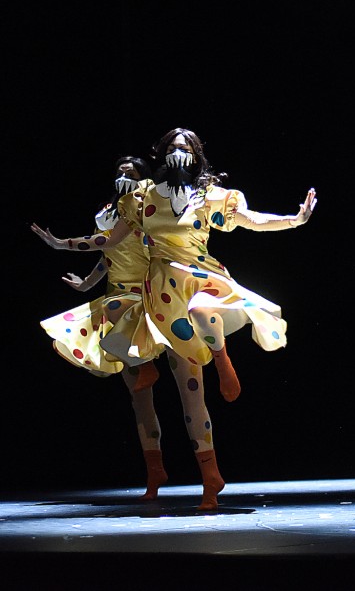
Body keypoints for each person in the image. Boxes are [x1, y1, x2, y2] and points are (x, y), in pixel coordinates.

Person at [33, 127, 318, 509]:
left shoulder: (210, 196)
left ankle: (221, 361)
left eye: (185, 147)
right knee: (179, 385)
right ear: (162, 153)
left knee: (200, 316)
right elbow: (109, 241)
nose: (178, 152)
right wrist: (63, 244)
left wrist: (294, 219)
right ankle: (207, 475)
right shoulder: (143, 198)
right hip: (161, 294)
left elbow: (250, 219)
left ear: (196, 155)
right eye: (172, 146)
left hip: (201, 278)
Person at [37, 156, 172, 499]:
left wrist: (62, 244)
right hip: (117, 293)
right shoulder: (109, 211)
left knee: (183, 388)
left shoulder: (145, 206)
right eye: (120, 171)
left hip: (147, 295)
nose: (124, 175)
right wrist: (86, 284)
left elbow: (114, 243)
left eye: (132, 171)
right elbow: (108, 253)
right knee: (140, 401)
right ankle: (155, 471)